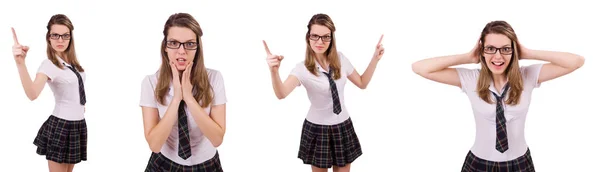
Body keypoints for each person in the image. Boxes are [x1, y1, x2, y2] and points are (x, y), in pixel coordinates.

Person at [412, 20, 585, 172]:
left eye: (505, 49)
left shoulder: (528, 76)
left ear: (513, 50)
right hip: (479, 163)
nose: (498, 56)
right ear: (482, 50)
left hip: (520, 163)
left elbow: (576, 62)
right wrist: (467, 57)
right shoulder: (471, 79)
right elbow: (420, 68)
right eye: (490, 49)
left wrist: (528, 53)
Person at [263, 13, 384, 172]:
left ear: (331, 38)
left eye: (325, 37)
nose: (320, 41)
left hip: (343, 125)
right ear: (308, 37)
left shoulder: (340, 59)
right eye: (315, 36)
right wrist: (274, 71)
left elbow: (362, 83)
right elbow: (281, 93)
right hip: (317, 129)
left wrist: (375, 58)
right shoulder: (302, 69)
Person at [139, 13, 227, 172]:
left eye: (189, 44)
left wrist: (189, 98)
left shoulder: (214, 79)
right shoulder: (150, 83)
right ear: (165, 46)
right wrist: (176, 99)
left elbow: (217, 139)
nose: (182, 51)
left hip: (206, 165)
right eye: (173, 43)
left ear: (197, 47)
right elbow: (155, 144)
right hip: (164, 163)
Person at [13, 14, 88, 172]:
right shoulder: (48, 65)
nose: (60, 40)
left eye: (65, 36)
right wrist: (20, 64)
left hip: (78, 125)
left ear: (70, 37)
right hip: (62, 125)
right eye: (55, 35)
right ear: (49, 37)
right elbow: (32, 93)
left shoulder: (71, 63)